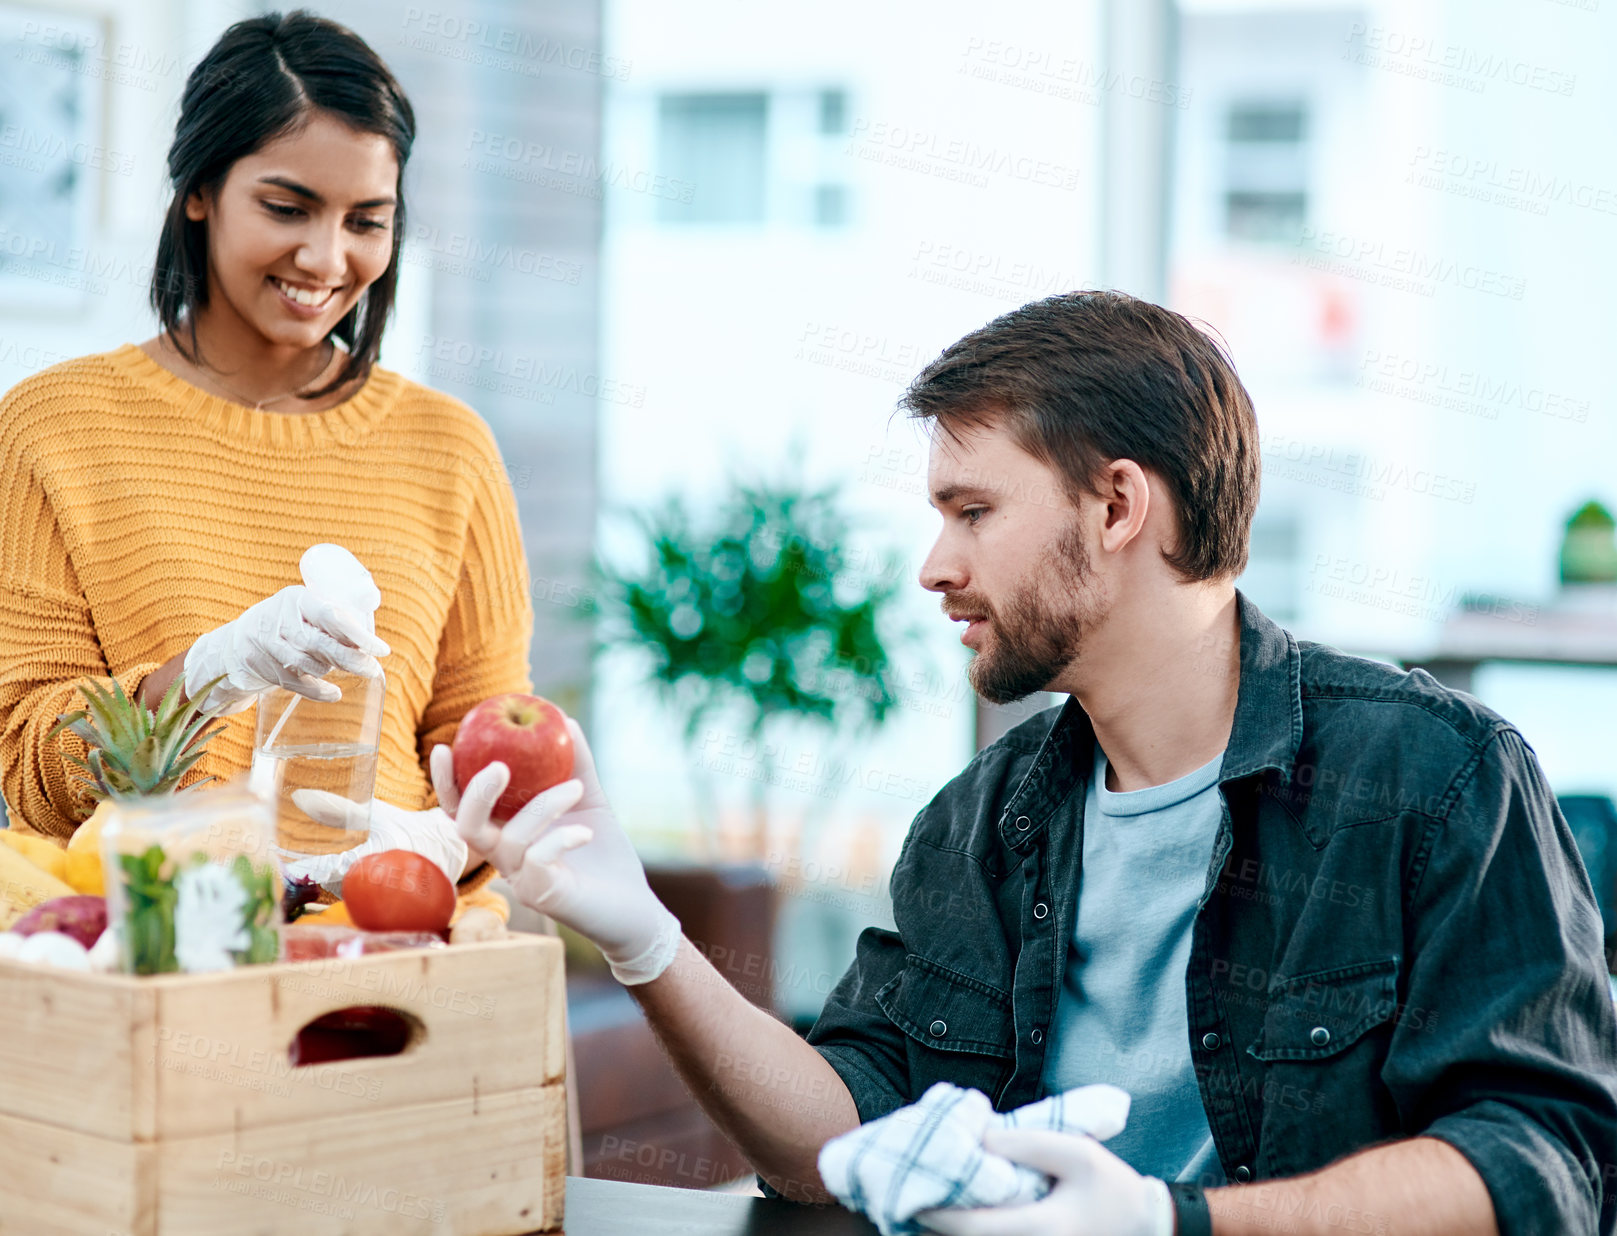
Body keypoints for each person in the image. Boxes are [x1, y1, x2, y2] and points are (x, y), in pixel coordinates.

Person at [438, 292, 1617, 1235]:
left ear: (1116, 506)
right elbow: (830, 1148)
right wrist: (646, 935)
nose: (934, 566)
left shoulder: (1436, 778)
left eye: (972, 511)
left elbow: (1542, 1166)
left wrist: (1170, 1223)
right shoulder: (979, 827)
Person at [0, 11, 525, 928]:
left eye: (367, 220)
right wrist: (212, 673)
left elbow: (490, 751)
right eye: (286, 209)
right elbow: (31, 769)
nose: (325, 260)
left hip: (403, 959)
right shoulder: (54, 428)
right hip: (164, 955)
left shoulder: (451, 447)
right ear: (200, 190)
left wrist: (440, 840)